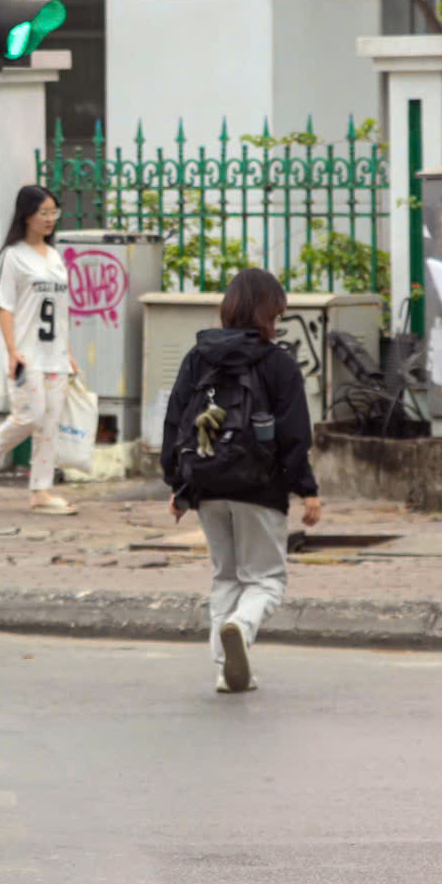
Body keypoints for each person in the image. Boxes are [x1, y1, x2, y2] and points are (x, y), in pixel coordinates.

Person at [159, 267, 322, 694]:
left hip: (207, 484)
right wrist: (304, 489)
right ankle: (241, 626)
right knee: (266, 580)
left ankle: (225, 669)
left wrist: (179, 485)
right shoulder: (278, 362)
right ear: (270, 313)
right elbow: (294, 434)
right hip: (259, 488)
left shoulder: (199, 357)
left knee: (225, 578)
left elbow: (176, 420)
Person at [0, 185, 79, 516]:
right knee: (30, 415)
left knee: (50, 422)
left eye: (53, 212)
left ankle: (41, 492)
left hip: (56, 355)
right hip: (27, 354)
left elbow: (61, 311)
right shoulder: (13, 256)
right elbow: (4, 306)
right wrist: (12, 350)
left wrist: (68, 351)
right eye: (43, 213)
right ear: (26, 215)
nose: (49, 219)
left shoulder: (56, 257)